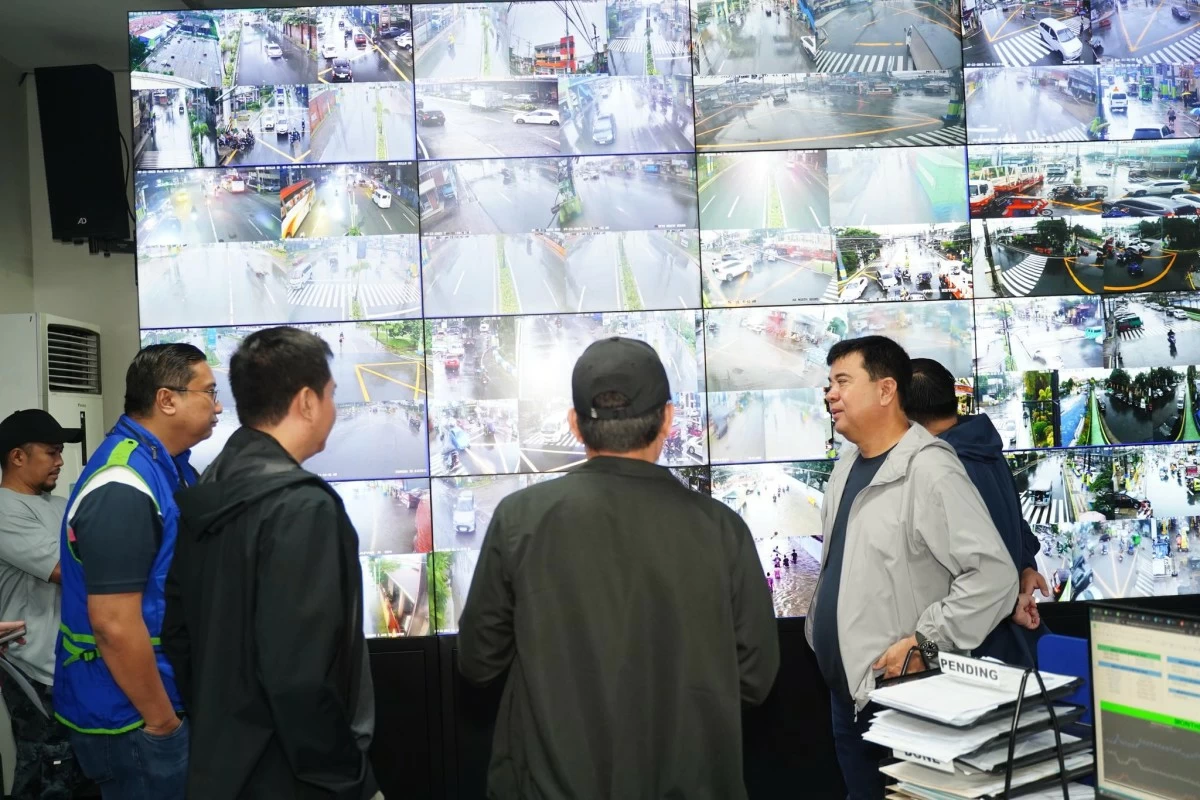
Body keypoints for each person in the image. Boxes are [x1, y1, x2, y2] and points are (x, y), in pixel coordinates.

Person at [458, 337, 779, 799]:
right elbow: (755, 680)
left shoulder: (518, 519)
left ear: (574, 424)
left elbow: (478, 663)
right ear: (668, 418)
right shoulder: (722, 530)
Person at [164, 326, 379, 799]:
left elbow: (177, 634)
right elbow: (300, 679)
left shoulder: (210, 486)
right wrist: (352, 780)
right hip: (294, 777)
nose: (333, 410)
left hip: (223, 766)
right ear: (306, 401)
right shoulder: (303, 507)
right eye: (331, 395)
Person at [806, 336, 1018, 800]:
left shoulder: (930, 470)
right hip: (851, 697)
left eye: (843, 381)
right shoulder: (846, 467)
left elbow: (994, 576)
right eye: (829, 383)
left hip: (907, 701)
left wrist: (926, 641)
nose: (830, 394)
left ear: (886, 390)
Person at [53, 343, 222, 799]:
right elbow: (112, 623)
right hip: (132, 718)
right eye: (209, 392)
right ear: (168, 399)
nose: (218, 405)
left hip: (160, 701)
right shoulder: (124, 485)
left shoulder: (169, 468)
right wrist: (162, 721)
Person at [906, 358, 1049, 667]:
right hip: (1008, 630)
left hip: (973, 644)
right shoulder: (987, 449)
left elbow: (981, 571)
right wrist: (1025, 565)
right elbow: (1014, 521)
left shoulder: (942, 469)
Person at [0, 410, 89, 797]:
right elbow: (68, 570)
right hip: (34, 668)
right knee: (44, 773)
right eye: (51, 452)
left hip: (67, 663)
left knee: (76, 771)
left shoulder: (58, 503)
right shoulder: (5, 509)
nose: (60, 461)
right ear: (18, 457)